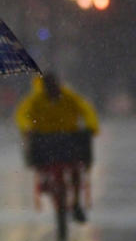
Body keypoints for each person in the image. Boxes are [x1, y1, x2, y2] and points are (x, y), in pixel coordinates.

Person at [14, 73, 99, 222]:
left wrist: (91, 126)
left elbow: (86, 110)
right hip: (45, 139)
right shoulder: (36, 100)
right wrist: (26, 128)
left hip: (68, 137)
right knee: (45, 164)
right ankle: (48, 182)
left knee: (76, 169)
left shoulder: (69, 97)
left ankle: (76, 202)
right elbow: (22, 114)